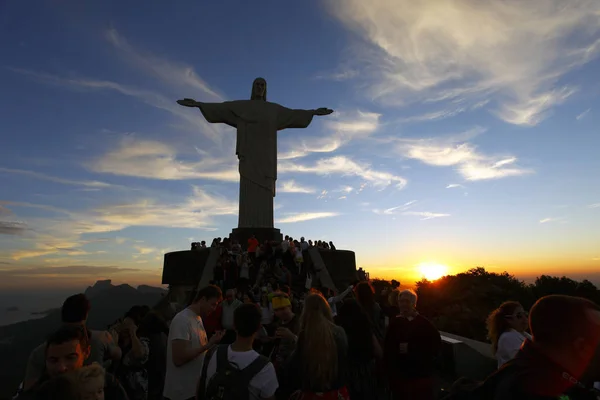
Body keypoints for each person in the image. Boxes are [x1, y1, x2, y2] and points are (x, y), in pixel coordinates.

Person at [490, 295, 600, 399]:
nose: (524, 319)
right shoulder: (531, 388)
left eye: (524, 314)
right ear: (581, 346)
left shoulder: (530, 368)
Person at [23, 294, 121, 391]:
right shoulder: (102, 337)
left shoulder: (39, 352)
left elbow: (29, 390)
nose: (61, 368)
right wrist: (114, 343)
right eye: (54, 360)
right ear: (86, 315)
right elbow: (118, 355)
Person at [20, 325, 127, 400]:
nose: (61, 368)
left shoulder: (107, 385)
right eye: (53, 360)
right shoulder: (38, 394)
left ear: (86, 353)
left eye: (70, 358)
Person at [199, 304, 279, 400]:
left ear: (234, 326)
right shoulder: (265, 367)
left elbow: (200, 389)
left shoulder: (212, 353)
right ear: (259, 327)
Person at [163, 285, 225, 400]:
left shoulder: (198, 318)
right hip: (180, 394)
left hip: (193, 391)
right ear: (202, 300)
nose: (214, 309)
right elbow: (178, 358)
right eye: (213, 304)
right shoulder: (182, 319)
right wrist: (208, 345)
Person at [286, 293, 349, 400]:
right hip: (337, 394)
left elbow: (292, 368)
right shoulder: (339, 332)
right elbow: (344, 362)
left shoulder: (304, 335)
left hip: (312, 394)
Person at [384, 289, 441, 400]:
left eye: (407, 301)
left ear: (414, 304)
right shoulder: (395, 323)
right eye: (401, 301)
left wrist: (411, 348)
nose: (404, 304)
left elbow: (435, 346)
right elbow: (388, 347)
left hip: (418, 377)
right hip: (399, 377)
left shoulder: (425, 325)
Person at [336, 299, 382, 400]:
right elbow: (378, 352)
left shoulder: (339, 329)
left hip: (346, 373)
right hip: (366, 372)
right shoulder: (365, 327)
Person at [486, 301, 531, 368]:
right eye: (519, 316)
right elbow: (524, 362)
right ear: (508, 320)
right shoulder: (507, 338)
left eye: (525, 315)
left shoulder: (523, 335)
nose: (525, 319)